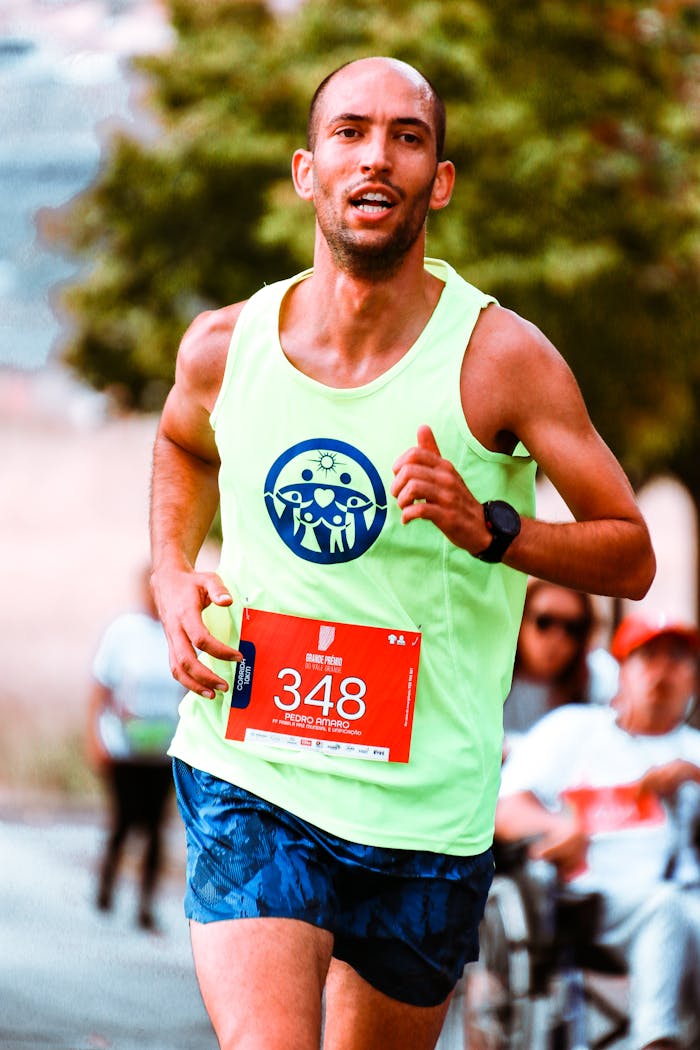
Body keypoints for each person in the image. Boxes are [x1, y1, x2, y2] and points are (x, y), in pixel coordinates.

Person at [149, 56, 655, 1049]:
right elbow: (182, 442)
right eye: (350, 132)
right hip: (252, 770)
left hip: (425, 809)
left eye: (406, 137)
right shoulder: (223, 346)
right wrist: (171, 569)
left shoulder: (501, 359)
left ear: (440, 181)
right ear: (307, 171)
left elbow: (629, 553)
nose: (376, 157)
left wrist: (491, 528)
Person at [496, 614, 700, 1050]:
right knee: (665, 908)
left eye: (677, 658)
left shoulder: (693, 751)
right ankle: (655, 1040)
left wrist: (693, 777)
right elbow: (506, 808)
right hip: (590, 900)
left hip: (684, 896)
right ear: (622, 670)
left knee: (679, 909)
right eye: (649, 656)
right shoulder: (576, 729)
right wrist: (558, 825)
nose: (663, 671)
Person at [86, 565, 185, 931]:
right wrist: (94, 738)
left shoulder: (179, 632)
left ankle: (146, 903)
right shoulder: (123, 632)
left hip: (162, 750)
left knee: (157, 827)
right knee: (124, 820)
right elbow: (100, 688)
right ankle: (107, 885)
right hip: (124, 747)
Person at [503, 580, 618, 747]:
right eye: (544, 622)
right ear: (519, 617)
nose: (557, 638)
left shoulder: (597, 676)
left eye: (572, 628)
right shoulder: (491, 673)